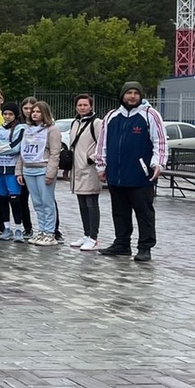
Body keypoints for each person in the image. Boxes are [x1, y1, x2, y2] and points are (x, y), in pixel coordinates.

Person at [97, 80, 165, 262]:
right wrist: (101, 165)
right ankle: (122, 244)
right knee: (119, 212)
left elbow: (161, 142)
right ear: (122, 95)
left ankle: (145, 247)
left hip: (140, 176)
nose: (132, 96)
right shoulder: (111, 116)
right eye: (129, 93)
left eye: (136, 93)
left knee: (144, 213)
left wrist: (158, 163)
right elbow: (102, 143)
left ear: (140, 95)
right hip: (116, 176)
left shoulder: (150, 115)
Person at [16, 100, 61, 246]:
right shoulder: (27, 129)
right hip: (28, 169)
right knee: (37, 203)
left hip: (43, 169)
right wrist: (19, 171)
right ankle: (42, 230)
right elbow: (21, 151)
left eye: (38, 111)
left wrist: (51, 173)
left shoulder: (52, 130)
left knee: (47, 201)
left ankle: (50, 232)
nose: (34, 114)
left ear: (45, 113)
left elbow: (55, 153)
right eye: (33, 111)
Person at [65, 94, 103, 252]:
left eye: (85, 105)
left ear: (91, 106)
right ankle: (86, 234)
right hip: (77, 169)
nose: (82, 107)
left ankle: (94, 237)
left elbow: (103, 143)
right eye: (79, 105)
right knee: (82, 203)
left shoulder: (96, 123)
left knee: (91, 203)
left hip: (90, 168)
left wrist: (92, 158)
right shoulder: (75, 123)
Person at [0, 102, 26, 243]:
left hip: (12, 168)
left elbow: (16, 148)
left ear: (15, 115)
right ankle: (6, 228)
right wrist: (2, 148)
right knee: (1, 199)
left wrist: (1, 148)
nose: (7, 116)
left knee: (15, 199)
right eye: (5, 114)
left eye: (10, 114)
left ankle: (18, 228)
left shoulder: (20, 129)